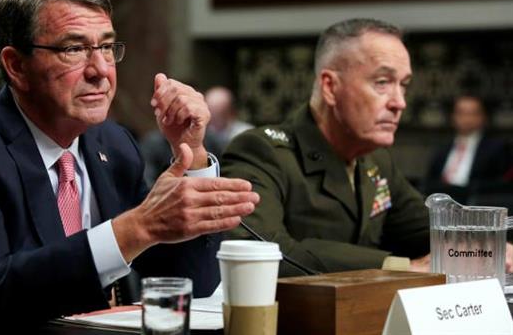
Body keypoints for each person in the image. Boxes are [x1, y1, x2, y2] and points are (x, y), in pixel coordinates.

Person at [0, 0, 258, 329]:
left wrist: (190, 150)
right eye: (74, 49)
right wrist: (137, 228)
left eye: (105, 47)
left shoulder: (113, 145)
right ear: (16, 65)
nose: (101, 70)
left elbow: (190, 286)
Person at [222, 18, 431, 277]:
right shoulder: (261, 151)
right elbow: (259, 252)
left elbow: (429, 231)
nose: (399, 103)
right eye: (382, 82)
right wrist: (400, 268)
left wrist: (483, 245)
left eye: (403, 85)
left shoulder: (376, 160)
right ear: (330, 87)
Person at [427, 94, 509, 188]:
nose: (467, 118)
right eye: (461, 113)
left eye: (473, 113)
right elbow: (430, 181)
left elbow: (500, 186)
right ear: (452, 116)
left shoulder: (497, 148)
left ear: (483, 117)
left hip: (476, 200)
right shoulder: (442, 149)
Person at [204, 86, 253, 153]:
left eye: (218, 114)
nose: (212, 119)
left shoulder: (247, 134)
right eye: (210, 111)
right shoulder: (204, 134)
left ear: (230, 112)